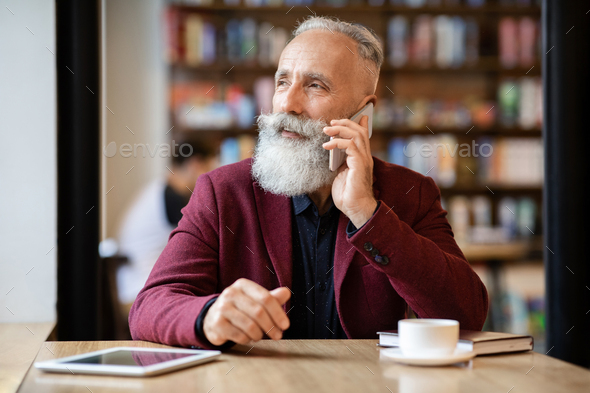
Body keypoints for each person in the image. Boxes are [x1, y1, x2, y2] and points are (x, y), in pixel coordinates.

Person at [129, 16, 489, 349]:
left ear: (363, 115)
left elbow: (467, 314)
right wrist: (208, 316)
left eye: (315, 86)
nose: (287, 103)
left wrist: (369, 215)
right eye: (282, 82)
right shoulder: (223, 192)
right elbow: (149, 306)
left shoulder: (411, 193)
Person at [116, 137, 217, 312]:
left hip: (134, 285)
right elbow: (208, 238)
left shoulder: (160, 190)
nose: (211, 173)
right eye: (209, 166)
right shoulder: (172, 198)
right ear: (195, 164)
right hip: (140, 290)